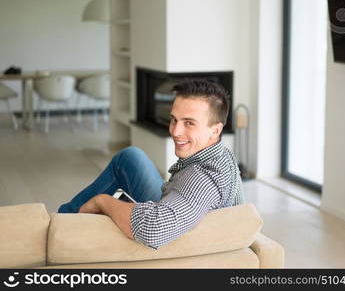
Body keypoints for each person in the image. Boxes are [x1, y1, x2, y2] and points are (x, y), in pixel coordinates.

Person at [58, 79, 243, 249]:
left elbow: (153, 230)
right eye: (174, 119)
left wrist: (103, 201)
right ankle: (63, 219)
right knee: (130, 158)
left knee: (117, 180)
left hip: (173, 241)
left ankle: (60, 226)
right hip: (182, 212)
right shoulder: (221, 154)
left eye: (189, 123)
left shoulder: (204, 178)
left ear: (215, 130)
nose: (176, 131)